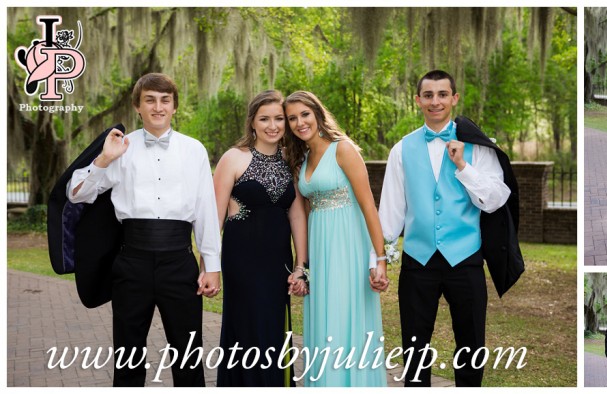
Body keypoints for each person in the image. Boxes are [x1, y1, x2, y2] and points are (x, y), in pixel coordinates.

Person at [66, 73, 220, 386]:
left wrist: (211, 266)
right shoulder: (120, 148)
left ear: (175, 106)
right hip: (131, 262)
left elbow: (205, 209)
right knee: (128, 354)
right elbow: (76, 194)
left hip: (179, 262)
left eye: (165, 100)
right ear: (138, 106)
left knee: (188, 354)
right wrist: (104, 160)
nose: (158, 106)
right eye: (150, 99)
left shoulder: (195, 151)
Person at [379, 70, 512, 387]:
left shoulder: (478, 146)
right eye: (428, 95)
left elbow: (495, 199)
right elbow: (391, 212)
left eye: (442, 94)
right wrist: (379, 259)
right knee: (414, 348)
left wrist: (463, 167)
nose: (435, 101)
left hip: (464, 259)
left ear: (454, 98)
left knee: (470, 345)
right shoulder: (401, 149)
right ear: (418, 101)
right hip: (417, 261)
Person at [284, 91, 388, 387]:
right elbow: (301, 216)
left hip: (348, 247)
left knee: (346, 319)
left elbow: (369, 205)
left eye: (305, 114)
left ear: (318, 113)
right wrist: (301, 266)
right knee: (322, 321)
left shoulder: (343, 150)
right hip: (320, 246)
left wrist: (379, 259)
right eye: (293, 118)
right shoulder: (300, 160)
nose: (300, 122)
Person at [212, 90, 308, 386]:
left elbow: (297, 216)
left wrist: (301, 265)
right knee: (246, 327)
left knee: (273, 328)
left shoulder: (291, 160)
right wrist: (209, 266)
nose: (273, 125)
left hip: (276, 260)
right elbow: (214, 218)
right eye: (264, 119)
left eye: (279, 119)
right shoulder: (233, 158)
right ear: (252, 122)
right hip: (241, 259)